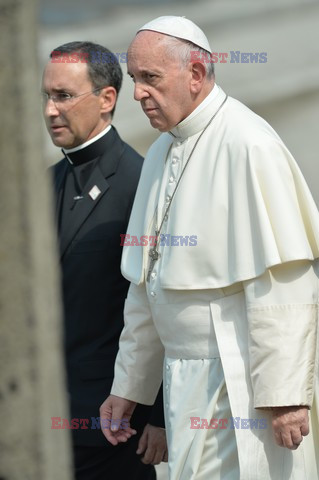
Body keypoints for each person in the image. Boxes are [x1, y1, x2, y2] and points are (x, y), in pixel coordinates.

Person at [100, 16, 319, 480]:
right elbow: (147, 284)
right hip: (183, 382)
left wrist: (284, 397)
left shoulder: (249, 143)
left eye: (150, 79)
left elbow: (283, 282)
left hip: (236, 380)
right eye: (136, 79)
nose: (137, 93)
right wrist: (130, 387)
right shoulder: (160, 150)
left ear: (195, 75)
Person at [42, 41, 167, 480]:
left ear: (107, 99)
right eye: (47, 96)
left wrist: (160, 417)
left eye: (63, 96)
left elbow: (163, 303)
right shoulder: (43, 184)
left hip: (114, 425)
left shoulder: (140, 182)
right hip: (44, 420)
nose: (50, 111)